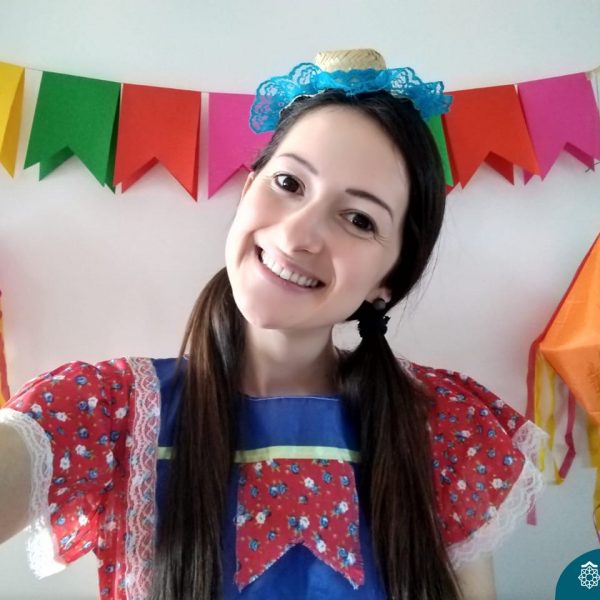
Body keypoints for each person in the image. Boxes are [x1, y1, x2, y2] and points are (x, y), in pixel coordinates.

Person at [0, 49, 546, 600]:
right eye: (289, 183)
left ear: (389, 278)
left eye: (359, 219)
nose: (297, 235)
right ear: (248, 189)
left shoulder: (442, 427)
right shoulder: (109, 411)